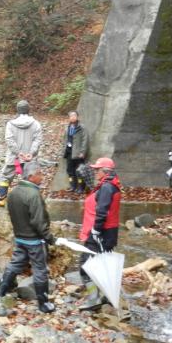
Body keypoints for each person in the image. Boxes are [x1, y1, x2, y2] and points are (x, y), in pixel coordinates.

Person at [0, 162, 56, 313]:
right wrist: (50, 238)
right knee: (40, 269)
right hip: (34, 240)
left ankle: (1, 291)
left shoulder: (14, 192)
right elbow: (38, 221)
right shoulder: (34, 195)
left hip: (20, 237)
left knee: (15, 263)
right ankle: (43, 303)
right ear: (31, 176)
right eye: (40, 174)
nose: (42, 176)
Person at [78, 157, 122, 310]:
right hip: (109, 233)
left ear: (105, 171)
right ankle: (107, 296)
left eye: (97, 169)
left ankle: (94, 299)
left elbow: (102, 211)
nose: (95, 171)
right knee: (103, 266)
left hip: (99, 233)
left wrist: (95, 230)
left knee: (84, 266)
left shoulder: (106, 188)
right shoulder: (111, 185)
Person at [0, 100, 43, 205]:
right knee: (30, 178)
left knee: (5, 177)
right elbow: (37, 140)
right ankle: (31, 201)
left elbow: (9, 140)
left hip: (14, 158)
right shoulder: (36, 124)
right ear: (28, 110)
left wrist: (18, 153)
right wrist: (31, 153)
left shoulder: (10, 124)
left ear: (17, 110)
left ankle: (2, 199)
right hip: (29, 159)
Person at [64, 111, 89, 193]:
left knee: (79, 171)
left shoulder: (82, 127)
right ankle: (72, 186)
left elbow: (85, 140)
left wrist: (83, 152)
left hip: (78, 153)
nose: (72, 117)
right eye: (71, 116)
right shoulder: (68, 127)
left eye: (74, 115)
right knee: (70, 171)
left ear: (77, 117)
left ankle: (81, 187)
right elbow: (65, 139)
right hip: (69, 152)